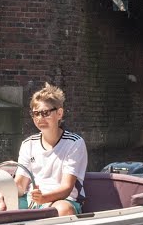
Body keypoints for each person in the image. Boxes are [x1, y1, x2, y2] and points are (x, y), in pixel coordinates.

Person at [12, 83, 88, 216]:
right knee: (1, 204)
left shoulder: (74, 143)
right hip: (32, 200)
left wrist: (44, 198)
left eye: (45, 113)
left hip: (63, 200)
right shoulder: (28, 144)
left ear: (59, 113)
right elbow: (20, 185)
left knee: (63, 210)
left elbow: (66, 188)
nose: (40, 118)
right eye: (36, 114)